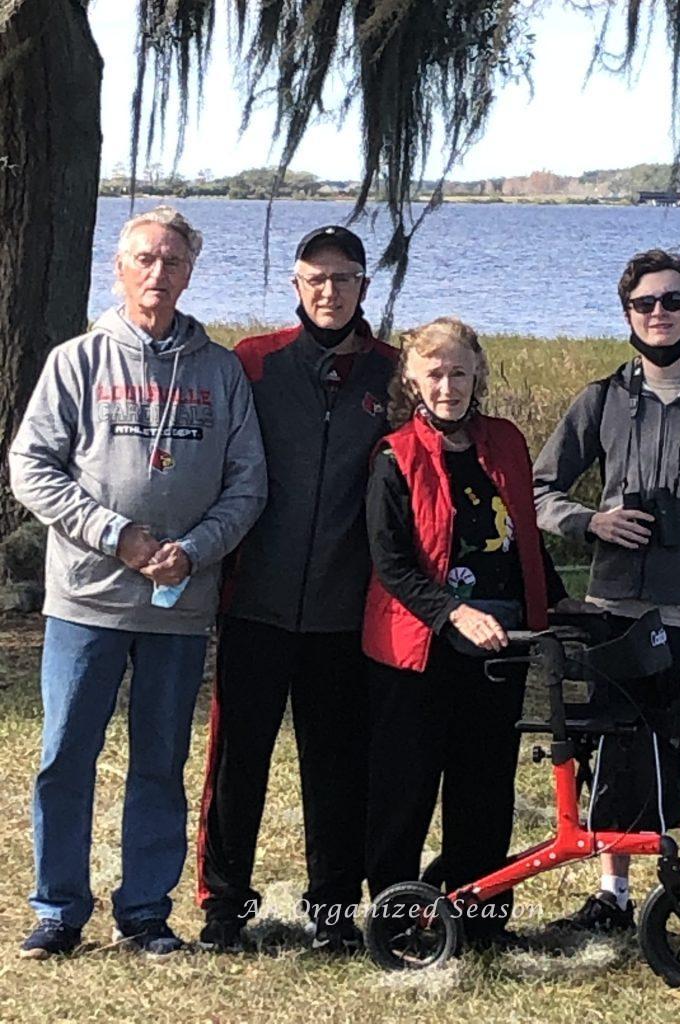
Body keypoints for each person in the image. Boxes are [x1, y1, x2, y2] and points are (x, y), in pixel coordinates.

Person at [10, 206, 268, 960]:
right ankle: (59, 908)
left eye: (174, 262)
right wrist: (116, 534)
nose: (160, 274)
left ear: (190, 273)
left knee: (161, 760)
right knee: (65, 753)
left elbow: (248, 485)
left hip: (179, 605)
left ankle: (146, 913)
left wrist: (194, 550)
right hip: (86, 600)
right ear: (120, 269)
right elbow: (31, 468)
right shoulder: (77, 361)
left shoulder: (218, 372)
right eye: (146, 260)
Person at [533, 248, 680, 932]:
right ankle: (615, 895)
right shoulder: (602, 399)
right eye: (645, 303)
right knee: (622, 752)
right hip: (619, 609)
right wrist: (590, 520)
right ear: (626, 313)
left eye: (672, 301)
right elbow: (541, 489)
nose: (658, 314)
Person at [196, 225, 397, 953]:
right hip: (256, 602)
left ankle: (334, 909)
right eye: (316, 278)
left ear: (364, 287)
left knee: (337, 764)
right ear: (295, 285)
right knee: (238, 758)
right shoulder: (254, 363)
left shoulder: (393, 375)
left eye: (343, 278)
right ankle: (223, 903)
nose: (329, 291)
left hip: (346, 613)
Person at [363, 316, 566, 948]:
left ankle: (478, 915)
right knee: (408, 785)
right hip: (420, 647)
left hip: (501, 646)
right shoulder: (394, 454)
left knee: (485, 785)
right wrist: (453, 611)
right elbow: (391, 562)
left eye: (458, 372)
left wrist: (559, 603)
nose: (447, 385)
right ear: (412, 379)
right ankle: (394, 919)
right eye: (434, 373)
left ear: (477, 374)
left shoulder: (504, 441)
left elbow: (522, 536)